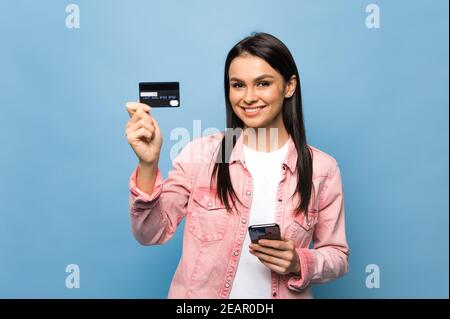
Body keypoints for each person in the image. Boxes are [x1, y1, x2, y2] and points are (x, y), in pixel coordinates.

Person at [124, 32, 349, 299]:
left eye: (263, 83)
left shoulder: (321, 169)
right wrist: (148, 164)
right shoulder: (205, 154)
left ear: (289, 87)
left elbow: (337, 256)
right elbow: (149, 234)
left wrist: (300, 262)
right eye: (238, 85)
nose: (249, 97)